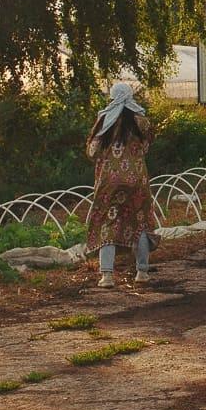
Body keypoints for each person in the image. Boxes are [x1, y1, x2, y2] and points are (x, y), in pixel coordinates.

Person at [86, 82, 156, 288]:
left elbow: (92, 152)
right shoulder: (141, 120)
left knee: (107, 224)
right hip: (137, 181)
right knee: (140, 223)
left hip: (109, 182)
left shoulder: (103, 120)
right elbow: (146, 147)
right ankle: (142, 272)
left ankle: (107, 276)